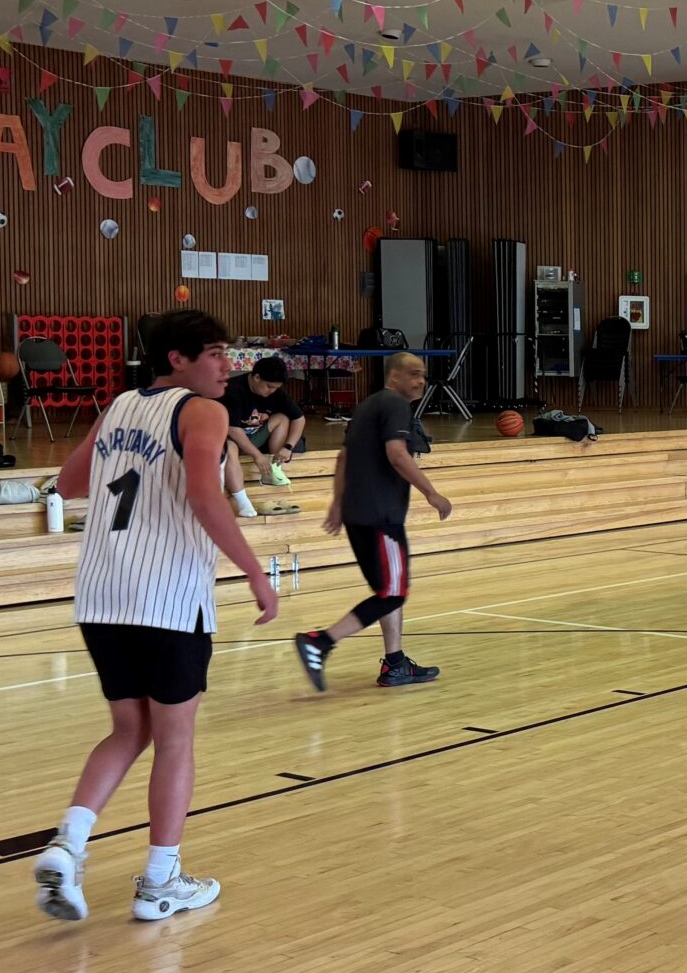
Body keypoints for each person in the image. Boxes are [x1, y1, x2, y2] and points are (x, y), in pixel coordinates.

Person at [30, 309, 278, 924]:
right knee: (175, 739)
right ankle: (161, 881)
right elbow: (202, 494)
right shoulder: (203, 412)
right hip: (166, 596)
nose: (228, 366)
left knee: (128, 730)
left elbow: (68, 481)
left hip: (101, 594)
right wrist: (251, 569)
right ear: (178, 358)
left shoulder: (117, 406)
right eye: (217, 353)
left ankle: (68, 843)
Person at [294, 352, 453, 690]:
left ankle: (395, 664)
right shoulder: (396, 405)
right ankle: (320, 642)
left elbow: (343, 457)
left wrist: (338, 503)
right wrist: (431, 493)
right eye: (413, 374)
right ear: (393, 377)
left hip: (358, 516)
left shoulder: (366, 406)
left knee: (386, 591)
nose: (420, 381)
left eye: (423, 375)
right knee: (393, 593)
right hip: (382, 517)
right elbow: (397, 454)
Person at [223, 355, 307, 497]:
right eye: (269, 386)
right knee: (230, 445)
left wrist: (288, 447)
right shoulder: (234, 390)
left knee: (282, 418)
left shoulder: (276, 393)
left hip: (255, 438)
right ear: (256, 377)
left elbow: (299, 419)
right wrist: (257, 455)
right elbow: (233, 429)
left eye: (275, 388)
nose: (272, 391)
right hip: (233, 441)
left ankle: (275, 466)